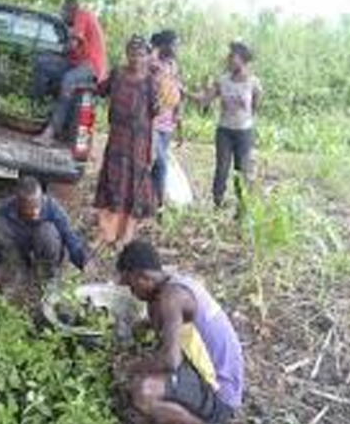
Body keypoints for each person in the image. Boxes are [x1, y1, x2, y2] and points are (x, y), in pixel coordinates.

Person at [117, 241, 245, 424]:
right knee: (142, 383)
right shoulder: (173, 284)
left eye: (131, 286)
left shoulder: (172, 297)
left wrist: (130, 367)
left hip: (221, 394)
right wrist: (143, 326)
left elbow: (170, 361)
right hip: (205, 373)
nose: (132, 293)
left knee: (143, 390)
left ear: (143, 277)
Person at [93, 35, 157, 250]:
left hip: (138, 143)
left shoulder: (150, 81)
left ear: (147, 56)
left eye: (140, 54)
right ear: (126, 54)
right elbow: (101, 90)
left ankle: (125, 236)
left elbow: (155, 112)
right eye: (132, 53)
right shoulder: (118, 74)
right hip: (117, 139)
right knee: (112, 182)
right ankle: (106, 233)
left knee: (132, 187)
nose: (135, 58)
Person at [0, 176, 90, 292]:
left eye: (38, 205)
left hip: (44, 244)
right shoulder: (6, 209)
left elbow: (70, 237)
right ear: (18, 203)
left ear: (41, 198)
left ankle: (48, 275)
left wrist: (83, 260)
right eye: (29, 208)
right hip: (22, 243)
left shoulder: (52, 207)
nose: (36, 212)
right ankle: (19, 268)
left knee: (47, 232)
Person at [198, 41, 263, 211]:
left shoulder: (253, 83)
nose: (228, 59)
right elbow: (206, 100)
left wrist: (248, 122)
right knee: (221, 170)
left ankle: (242, 210)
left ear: (243, 60)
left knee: (241, 171)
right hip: (224, 131)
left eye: (232, 56)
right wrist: (196, 92)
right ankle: (216, 206)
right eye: (229, 56)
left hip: (244, 133)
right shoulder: (223, 80)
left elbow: (255, 107)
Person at [35, 0, 108, 145]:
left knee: (68, 79)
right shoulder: (74, 25)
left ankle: (51, 132)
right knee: (42, 62)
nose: (62, 16)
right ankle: (38, 108)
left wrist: (57, 50)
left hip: (92, 67)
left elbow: (73, 45)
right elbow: (69, 53)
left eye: (62, 12)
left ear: (70, 10)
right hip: (77, 64)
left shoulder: (82, 14)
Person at [149, 30, 185, 211]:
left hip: (167, 123)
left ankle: (153, 201)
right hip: (152, 122)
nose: (178, 48)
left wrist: (179, 126)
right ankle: (159, 203)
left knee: (158, 163)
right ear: (164, 46)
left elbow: (177, 94)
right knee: (160, 162)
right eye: (175, 44)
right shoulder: (152, 64)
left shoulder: (173, 66)